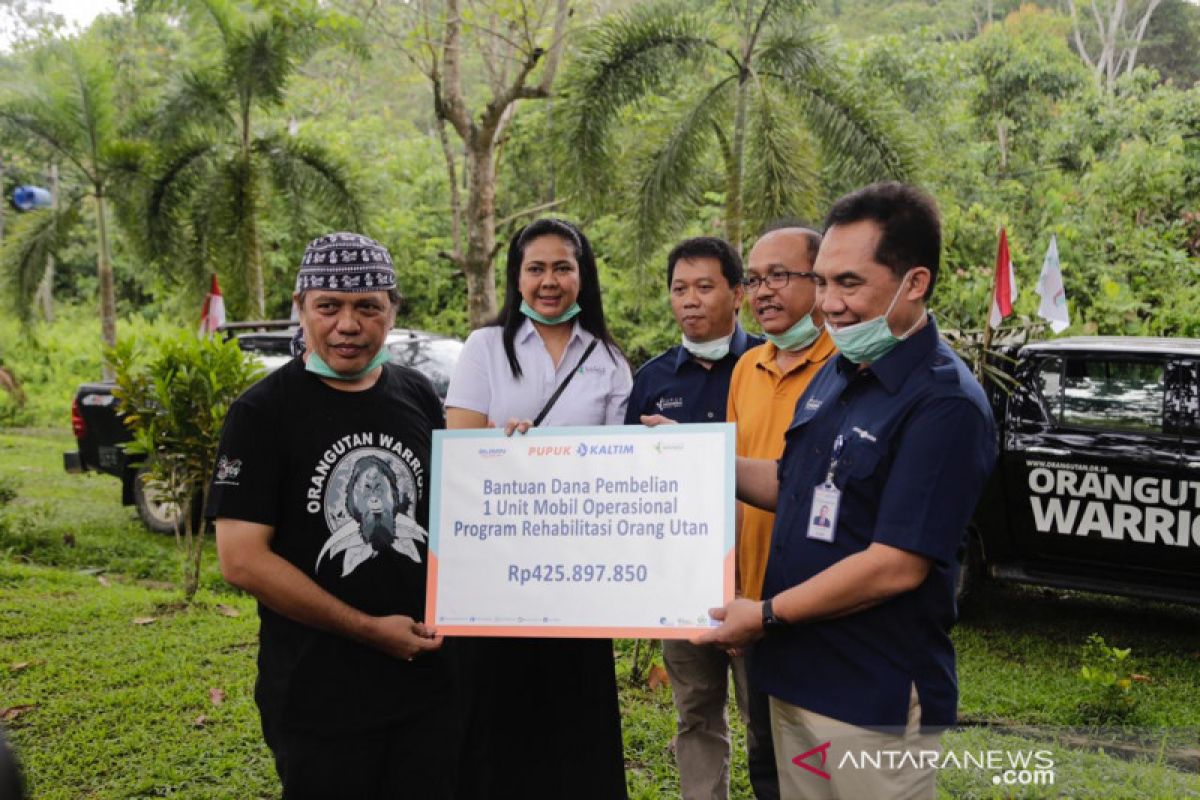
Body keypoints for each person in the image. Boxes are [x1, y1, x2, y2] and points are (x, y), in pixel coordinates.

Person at [697, 182, 998, 800]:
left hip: (871, 694)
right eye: (824, 281)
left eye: (850, 284)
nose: (828, 304)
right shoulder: (839, 373)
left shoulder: (944, 404)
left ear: (914, 283)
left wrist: (767, 614)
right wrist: (692, 458)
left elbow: (895, 565)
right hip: (794, 676)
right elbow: (795, 485)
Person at [208, 233, 457, 800]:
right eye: (329, 306)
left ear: (391, 312)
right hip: (319, 698)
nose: (348, 324)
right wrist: (370, 631)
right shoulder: (262, 413)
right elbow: (242, 561)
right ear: (300, 309)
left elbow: (459, 510)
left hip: (427, 690)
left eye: (368, 306)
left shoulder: (417, 394)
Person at [444, 218, 632, 800]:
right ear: (516, 278)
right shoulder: (484, 349)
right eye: (536, 268)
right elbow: (463, 455)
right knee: (495, 718)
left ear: (583, 275)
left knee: (573, 719)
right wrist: (505, 448)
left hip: (576, 575)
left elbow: (617, 470)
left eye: (562, 267)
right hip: (495, 574)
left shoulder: (609, 361)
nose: (549, 281)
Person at [624, 236, 764, 800]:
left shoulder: (765, 368)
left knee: (769, 723)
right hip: (681, 584)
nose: (690, 300)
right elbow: (633, 484)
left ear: (738, 293)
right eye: (679, 289)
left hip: (758, 582)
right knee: (696, 716)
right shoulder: (652, 380)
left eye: (705, 287)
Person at [725, 224, 836, 800]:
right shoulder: (747, 367)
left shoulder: (846, 366)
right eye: (754, 279)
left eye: (779, 276)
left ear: (820, 282)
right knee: (764, 752)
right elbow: (733, 478)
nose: (763, 291)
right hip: (752, 598)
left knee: (821, 758)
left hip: (820, 600)